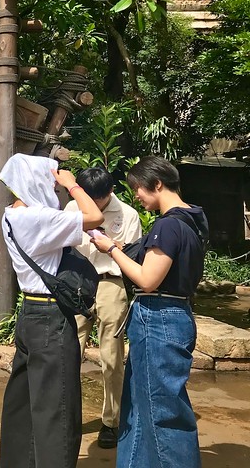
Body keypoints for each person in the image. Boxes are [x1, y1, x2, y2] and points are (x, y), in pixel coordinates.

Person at [91, 156, 208, 468]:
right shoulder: (193, 219)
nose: (137, 196)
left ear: (157, 184)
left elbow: (147, 279)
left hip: (159, 318)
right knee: (140, 408)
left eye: (139, 189)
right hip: (173, 314)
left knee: (161, 413)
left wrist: (111, 249)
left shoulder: (167, 225)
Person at [0, 154, 104, 468]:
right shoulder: (39, 219)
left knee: (24, 405)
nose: (54, 188)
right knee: (57, 410)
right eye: (49, 182)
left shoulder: (10, 215)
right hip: (51, 319)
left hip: (29, 314)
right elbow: (94, 215)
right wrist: (72, 185)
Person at [64, 167, 142, 449]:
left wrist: (113, 247)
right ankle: (67, 418)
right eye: (88, 197)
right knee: (70, 350)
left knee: (112, 356)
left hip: (111, 282)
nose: (94, 205)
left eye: (99, 199)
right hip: (77, 282)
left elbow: (132, 255)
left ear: (109, 192)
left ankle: (111, 421)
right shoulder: (73, 206)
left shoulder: (128, 215)